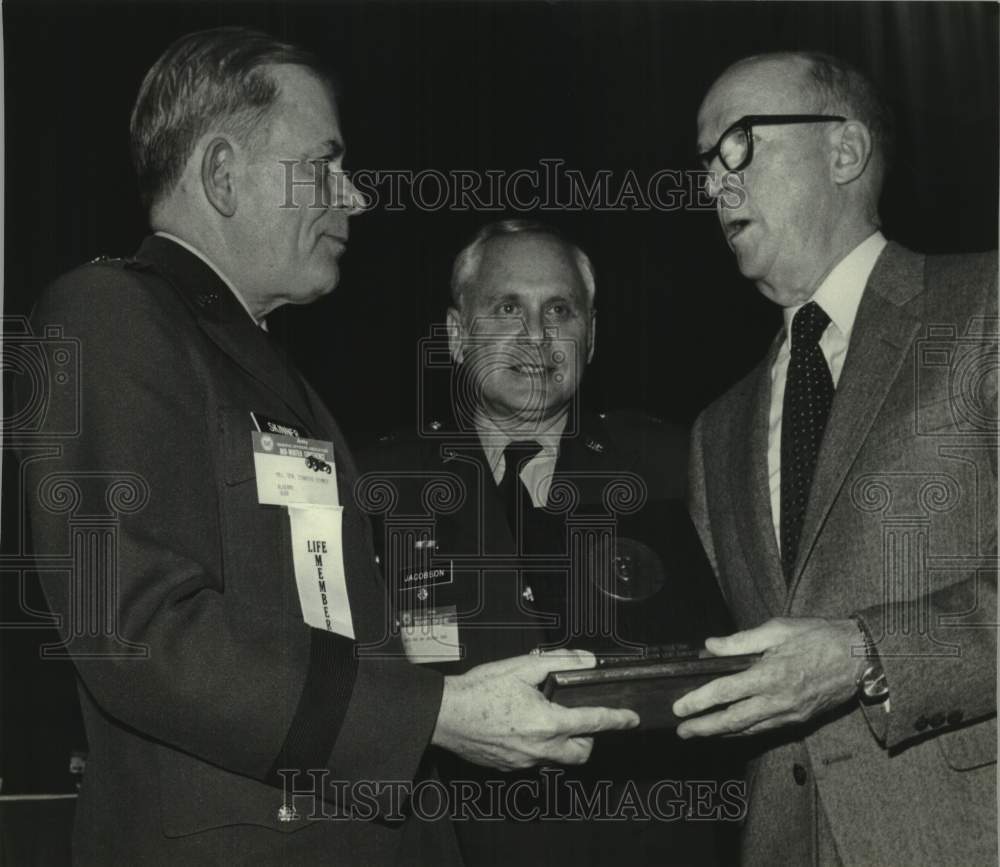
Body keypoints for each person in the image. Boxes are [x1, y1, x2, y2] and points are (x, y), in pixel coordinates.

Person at [17, 28, 639, 866]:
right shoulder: (107, 315)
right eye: (326, 164)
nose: (355, 196)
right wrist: (435, 714)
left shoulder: (259, 364)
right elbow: (134, 632)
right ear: (223, 174)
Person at [679, 50, 997, 865]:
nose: (715, 184)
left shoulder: (985, 307)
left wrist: (864, 654)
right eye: (705, 164)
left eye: (739, 145)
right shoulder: (715, 430)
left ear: (845, 151)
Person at [358, 219, 740, 867]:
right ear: (457, 334)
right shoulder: (378, 482)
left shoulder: (671, 464)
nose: (535, 335)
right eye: (508, 307)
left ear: (591, 336)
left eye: (559, 309)